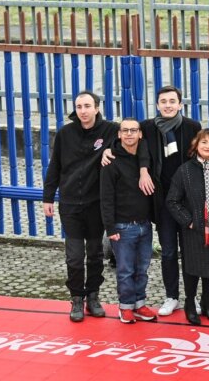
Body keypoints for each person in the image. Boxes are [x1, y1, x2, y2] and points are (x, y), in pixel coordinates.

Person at [43, 91, 144, 322]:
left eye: (88, 106)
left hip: (96, 203)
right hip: (70, 204)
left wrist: (113, 149)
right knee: (75, 256)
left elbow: (133, 139)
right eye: (79, 106)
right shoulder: (65, 133)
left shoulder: (110, 130)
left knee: (95, 254)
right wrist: (48, 197)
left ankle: (93, 297)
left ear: (97, 108)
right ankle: (77, 299)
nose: (83, 111)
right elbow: (55, 166)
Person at [139, 85, 202, 317]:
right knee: (167, 252)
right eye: (163, 101)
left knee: (189, 253)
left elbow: (203, 155)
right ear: (157, 105)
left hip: (187, 202)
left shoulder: (192, 127)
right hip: (163, 201)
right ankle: (171, 296)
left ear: (179, 105)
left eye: (172, 101)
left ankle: (192, 298)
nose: (167, 105)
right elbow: (127, 144)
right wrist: (143, 170)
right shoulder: (146, 127)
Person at [166, 129, 209, 326]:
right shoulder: (185, 170)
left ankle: (206, 301)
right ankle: (190, 303)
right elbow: (172, 201)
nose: (208, 146)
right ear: (196, 144)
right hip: (193, 229)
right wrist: (189, 221)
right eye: (204, 142)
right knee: (192, 268)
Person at [100, 118, 156, 324]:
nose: (129, 134)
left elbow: (147, 149)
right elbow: (106, 198)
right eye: (125, 131)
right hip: (122, 227)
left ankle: (139, 304)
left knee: (142, 268)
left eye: (134, 130)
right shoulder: (110, 161)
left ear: (140, 134)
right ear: (119, 134)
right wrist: (110, 227)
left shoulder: (145, 156)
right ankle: (125, 307)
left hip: (144, 224)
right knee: (125, 270)